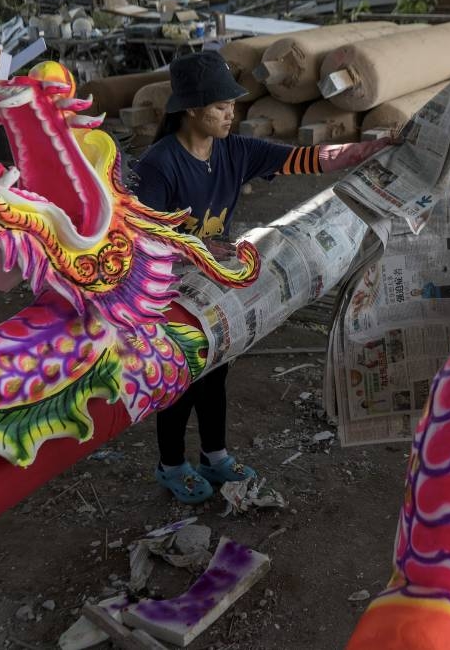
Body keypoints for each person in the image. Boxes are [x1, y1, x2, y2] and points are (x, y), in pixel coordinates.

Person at [133, 51, 392, 504]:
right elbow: (142, 236)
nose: (231, 114)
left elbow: (311, 160)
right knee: (182, 378)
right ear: (191, 108)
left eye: (232, 105)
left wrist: (371, 148)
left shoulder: (235, 149)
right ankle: (170, 464)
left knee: (216, 374)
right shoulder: (159, 164)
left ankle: (214, 454)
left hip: (214, 284)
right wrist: (197, 247)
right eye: (219, 107)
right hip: (170, 291)